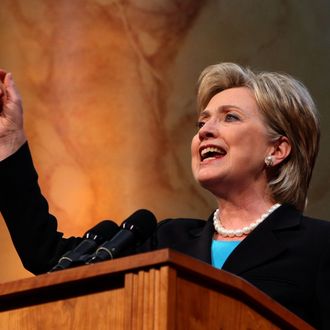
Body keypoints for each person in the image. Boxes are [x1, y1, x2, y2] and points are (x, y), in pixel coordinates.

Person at [0, 63, 329, 328]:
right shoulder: (166, 239)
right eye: (202, 121)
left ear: (277, 149)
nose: (204, 130)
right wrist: (9, 141)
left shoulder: (318, 245)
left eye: (230, 117)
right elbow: (50, 259)